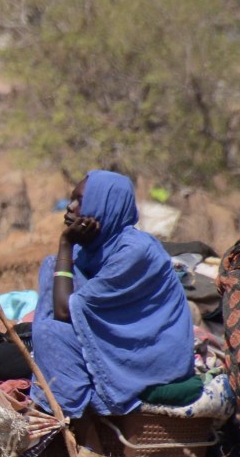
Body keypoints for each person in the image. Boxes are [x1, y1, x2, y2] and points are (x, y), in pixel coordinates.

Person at [29, 171, 194, 424]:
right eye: (71, 199)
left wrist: (66, 244)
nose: (71, 209)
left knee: (48, 332)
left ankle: (80, 423)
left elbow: (63, 311)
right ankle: (72, 405)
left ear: (106, 206)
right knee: (53, 269)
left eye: (81, 201)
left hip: (149, 355)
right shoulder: (93, 251)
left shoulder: (135, 251)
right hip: (118, 344)